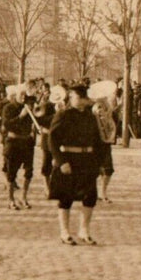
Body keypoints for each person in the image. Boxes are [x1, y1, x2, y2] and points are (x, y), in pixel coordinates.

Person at [48, 84, 107, 246]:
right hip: (69, 158)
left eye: (80, 97)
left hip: (87, 159)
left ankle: (84, 230)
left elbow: (98, 140)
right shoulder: (63, 115)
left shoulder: (90, 116)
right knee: (66, 197)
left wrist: (99, 162)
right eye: (75, 97)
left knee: (89, 197)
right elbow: (52, 140)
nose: (77, 100)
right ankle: (65, 232)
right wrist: (61, 161)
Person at [2, 84, 36, 210]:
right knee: (11, 172)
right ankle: (11, 199)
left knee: (29, 172)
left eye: (24, 95)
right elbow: (7, 125)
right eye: (21, 95)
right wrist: (21, 116)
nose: (23, 97)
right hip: (13, 141)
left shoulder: (29, 107)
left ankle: (23, 197)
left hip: (27, 142)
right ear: (15, 95)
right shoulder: (8, 108)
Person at [93, 95, 117, 203]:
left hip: (105, 143)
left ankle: (103, 192)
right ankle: (94, 192)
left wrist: (108, 116)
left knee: (108, 169)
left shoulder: (108, 111)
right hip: (95, 144)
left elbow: (113, 126)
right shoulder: (92, 111)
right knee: (93, 170)